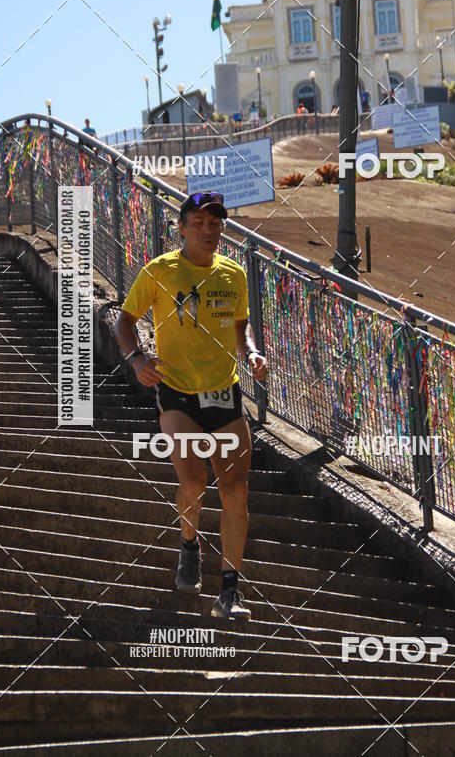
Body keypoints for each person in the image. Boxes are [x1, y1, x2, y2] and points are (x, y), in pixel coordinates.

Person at [114, 191, 268, 620]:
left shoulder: (233, 274)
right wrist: (137, 358)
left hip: (224, 391)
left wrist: (252, 352)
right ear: (181, 228)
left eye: (215, 223)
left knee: (236, 491)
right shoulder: (159, 270)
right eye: (198, 222)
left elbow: (242, 326)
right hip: (177, 391)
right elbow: (123, 320)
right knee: (196, 481)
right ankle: (189, 545)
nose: (208, 230)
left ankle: (230, 592)